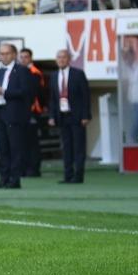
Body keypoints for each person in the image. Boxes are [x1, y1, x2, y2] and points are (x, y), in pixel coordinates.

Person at [0, 43, 34, 189]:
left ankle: (15, 179)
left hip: (14, 113)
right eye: (1, 54)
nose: (3, 56)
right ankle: (3, 178)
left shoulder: (22, 70)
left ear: (14, 54)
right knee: (3, 148)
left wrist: (3, 91)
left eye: (6, 53)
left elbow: (26, 92)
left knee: (15, 148)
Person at [48, 50, 91, 184]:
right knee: (66, 147)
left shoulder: (78, 74)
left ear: (69, 59)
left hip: (77, 115)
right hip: (62, 115)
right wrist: (51, 116)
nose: (61, 60)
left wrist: (85, 115)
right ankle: (68, 175)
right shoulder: (54, 76)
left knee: (78, 146)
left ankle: (78, 176)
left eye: (64, 57)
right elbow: (52, 98)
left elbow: (85, 96)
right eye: (58, 57)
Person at [19, 48, 45, 177]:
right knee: (23, 141)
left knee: (32, 142)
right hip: (22, 112)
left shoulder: (34, 72)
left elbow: (34, 93)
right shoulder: (21, 71)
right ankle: (24, 168)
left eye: (26, 57)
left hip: (32, 111)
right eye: (21, 57)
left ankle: (34, 169)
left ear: (31, 58)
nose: (23, 59)